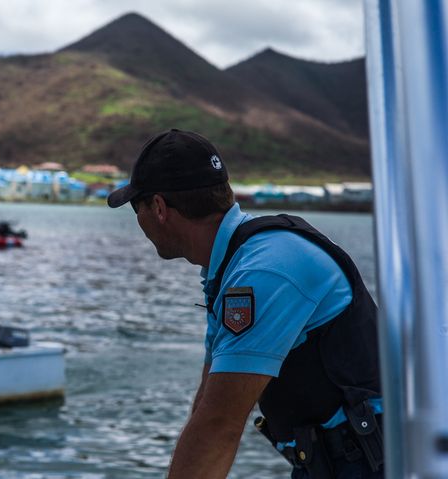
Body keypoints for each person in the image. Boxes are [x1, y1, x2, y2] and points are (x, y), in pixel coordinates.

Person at [107, 129, 383, 479]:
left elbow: (220, 424)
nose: (138, 221)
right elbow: (209, 402)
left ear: (159, 208)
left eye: (137, 207)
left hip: (369, 463)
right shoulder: (232, 266)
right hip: (332, 461)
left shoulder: (262, 271)